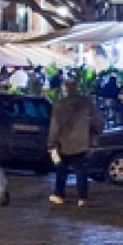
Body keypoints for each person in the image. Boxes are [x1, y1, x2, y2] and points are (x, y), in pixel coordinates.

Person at [47, 77, 104, 206]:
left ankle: (59, 195)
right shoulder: (86, 104)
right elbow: (98, 121)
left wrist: (51, 142)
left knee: (61, 170)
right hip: (81, 142)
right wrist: (93, 135)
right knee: (81, 171)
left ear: (65, 89)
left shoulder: (59, 105)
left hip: (63, 143)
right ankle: (82, 197)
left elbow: (55, 126)